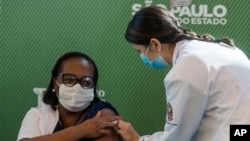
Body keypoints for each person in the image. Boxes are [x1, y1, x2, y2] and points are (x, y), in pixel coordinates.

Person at [117, 6, 250, 141]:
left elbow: (176, 137)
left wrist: (137, 140)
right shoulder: (223, 47)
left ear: (154, 44)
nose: (141, 57)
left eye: (139, 51)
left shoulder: (183, 72)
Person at [17, 52, 122, 141]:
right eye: (69, 80)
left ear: (93, 87)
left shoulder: (102, 113)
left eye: (86, 82)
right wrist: (81, 130)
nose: (77, 87)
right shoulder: (38, 115)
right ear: (55, 83)